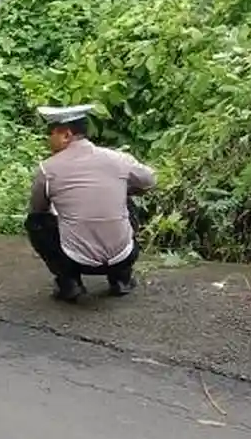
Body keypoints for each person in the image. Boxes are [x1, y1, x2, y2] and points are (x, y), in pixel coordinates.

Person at [24, 104, 157, 302]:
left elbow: (38, 210)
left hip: (76, 261)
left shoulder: (48, 169)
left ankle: (69, 283)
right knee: (126, 201)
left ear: (66, 134)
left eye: (50, 133)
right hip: (124, 256)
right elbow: (149, 181)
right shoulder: (119, 159)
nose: (48, 140)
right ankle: (121, 279)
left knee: (36, 222)